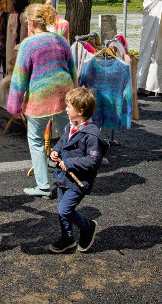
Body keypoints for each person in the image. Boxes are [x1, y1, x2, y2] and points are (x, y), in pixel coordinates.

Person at [7, 1, 76, 199]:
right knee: (68, 137)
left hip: (40, 98)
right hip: (65, 95)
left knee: (36, 140)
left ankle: (44, 186)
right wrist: (74, 95)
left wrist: (14, 106)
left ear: (30, 23)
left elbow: (20, 78)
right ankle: (69, 179)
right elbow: (72, 70)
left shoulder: (28, 44)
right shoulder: (61, 40)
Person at [48, 87, 106, 253]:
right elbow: (62, 142)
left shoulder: (92, 135)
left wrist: (70, 162)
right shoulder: (70, 126)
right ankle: (67, 238)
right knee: (62, 211)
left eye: (69, 106)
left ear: (80, 111)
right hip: (63, 177)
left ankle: (87, 227)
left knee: (64, 209)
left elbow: (93, 160)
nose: (65, 109)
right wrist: (56, 150)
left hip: (78, 181)